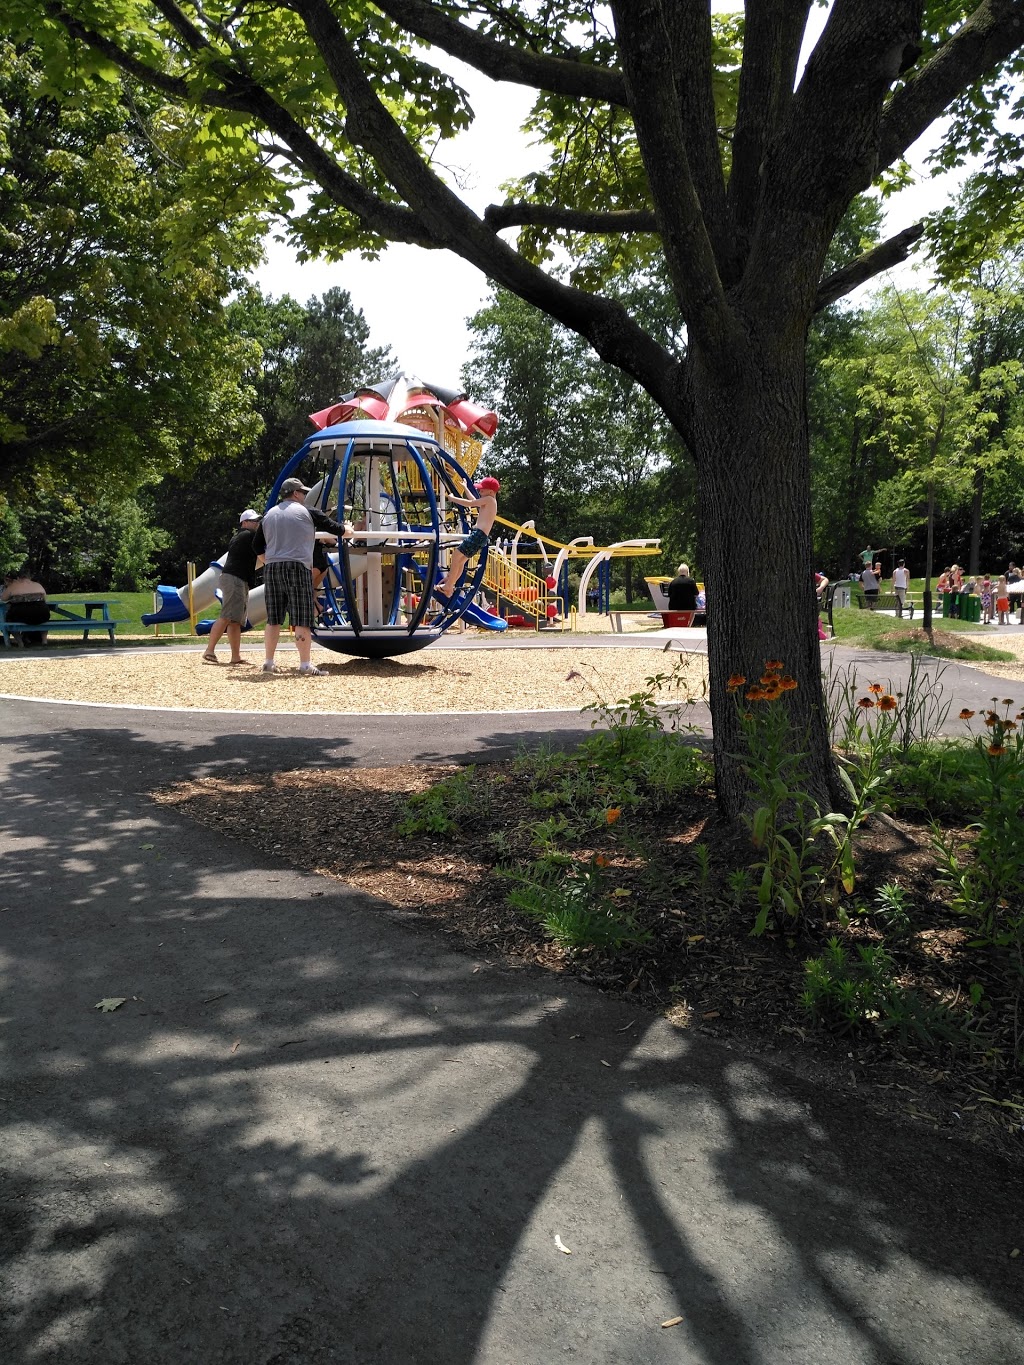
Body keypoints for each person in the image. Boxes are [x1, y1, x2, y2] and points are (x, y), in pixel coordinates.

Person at [252, 477, 350, 676]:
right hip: (298, 566)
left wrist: (269, 561)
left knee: (273, 618)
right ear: (295, 493)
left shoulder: (268, 515)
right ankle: (305, 664)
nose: (305, 496)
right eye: (303, 493)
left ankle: (269, 662)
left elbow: (256, 546)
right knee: (302, 617)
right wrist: (349, 528)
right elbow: (337, 529)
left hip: (272, 568)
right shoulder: (308, 512)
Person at [202, 510, 262, 665]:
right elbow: (265, 544)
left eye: (257, 521)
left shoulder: (242, 537)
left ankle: (235, 657)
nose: (257, 523)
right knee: (227, 616)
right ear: (244, 523)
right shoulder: (247, 535)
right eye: (254, 521)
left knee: (235, 621)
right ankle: (209, 650)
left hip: (237, 579)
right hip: (234, 579)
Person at [437, 476, 500, 599]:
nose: (480, 492)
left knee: (456, 556)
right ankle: (450, 585)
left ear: (491, 492)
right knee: (460, 561)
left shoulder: (489, 500)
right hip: (481, 537)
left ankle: (449, 585)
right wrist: (465, 488)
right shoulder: (488, 502)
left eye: (482, 490)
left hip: (478, 535)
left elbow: (470, 503)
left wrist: (452, 498)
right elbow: (474, 500)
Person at [1, 569, 50, 645]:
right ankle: (44, 641)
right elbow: (44, 599)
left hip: (20, 614)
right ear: (30, 577)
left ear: (18, 578)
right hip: (42, 614)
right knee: (44, 621)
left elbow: (3, 598)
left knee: (8, 620)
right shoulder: (38, 585)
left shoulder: (13, 586)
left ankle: (20, 643)